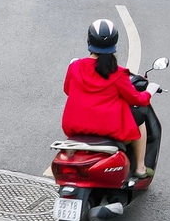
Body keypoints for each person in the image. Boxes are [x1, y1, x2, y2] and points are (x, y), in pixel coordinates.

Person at [61, 19, 153, 183]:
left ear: (89, 41)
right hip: (108, 129)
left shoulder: (75, 67)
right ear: (114, 43)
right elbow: (137, 99)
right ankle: (140, 167)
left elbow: (68, 90)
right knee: (140, 119)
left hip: (75, 127)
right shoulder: (118, 73)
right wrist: (149, 92)